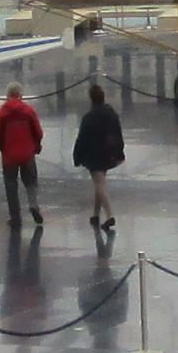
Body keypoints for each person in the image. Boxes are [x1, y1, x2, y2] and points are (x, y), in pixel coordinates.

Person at [71, 81, 125, 238]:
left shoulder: (88, 117)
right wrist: (119, 152)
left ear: (91, 99)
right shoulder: (112, 114)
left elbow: (82, 139)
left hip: (93, 154)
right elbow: (118, 134)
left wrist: (77, 156)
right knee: (99, 183)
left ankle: (110, 214)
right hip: (109, 152)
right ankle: (95, 214)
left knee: (100, 184)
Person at [0, 81, 45, 230]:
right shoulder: (28, 111)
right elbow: (38, 132)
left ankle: (15, 216)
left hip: (9, 155)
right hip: (27, 153)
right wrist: (36, 144)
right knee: (31, 181)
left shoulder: (2, 113)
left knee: (11, 184)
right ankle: (33, 205)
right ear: (21, 94)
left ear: (7, 95)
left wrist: (0, 146)